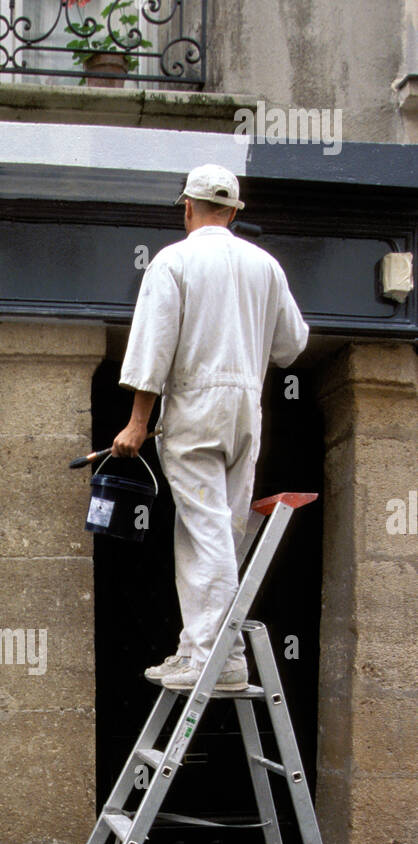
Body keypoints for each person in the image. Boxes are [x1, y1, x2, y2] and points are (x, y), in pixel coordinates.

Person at [113, 163, 309, 691]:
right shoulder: (265, 265)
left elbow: (152, 348)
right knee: (223, 529)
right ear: (234, 210)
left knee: (206, 531)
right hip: (246, 408)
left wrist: (137, 424)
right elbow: (293, 346)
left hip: (197, 407)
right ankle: (205, 647)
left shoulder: (173, 261)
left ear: (187, 206)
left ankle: (218, 656)